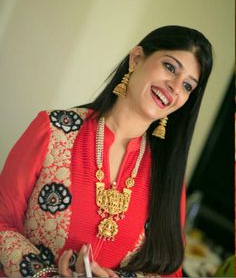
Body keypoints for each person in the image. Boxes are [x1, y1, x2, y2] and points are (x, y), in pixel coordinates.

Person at [0, 25, 213, 277]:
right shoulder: (54, 129)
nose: (176, 87)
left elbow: (170, 271)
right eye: (170, 67)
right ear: (136, 58)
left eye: (188, 86)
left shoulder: (167, 173)